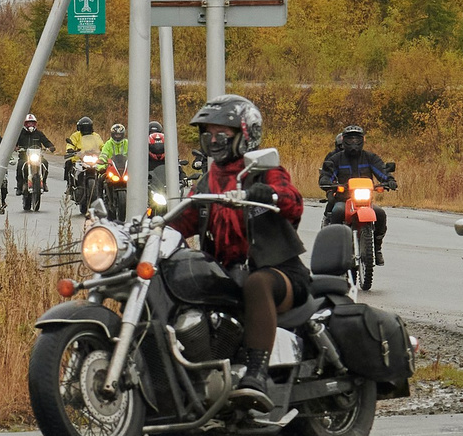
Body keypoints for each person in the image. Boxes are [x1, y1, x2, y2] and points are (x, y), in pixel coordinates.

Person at [168, 94, 306, 406]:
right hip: (227, 275)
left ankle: (255, 374)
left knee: (257, 283)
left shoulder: (263, 170)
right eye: (209, 134)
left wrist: (269, 194)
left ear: (245, 136)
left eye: (222, 134)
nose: (213, 140)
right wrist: (148, 227)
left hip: (278, 272)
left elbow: (293, 202)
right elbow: (181, 220)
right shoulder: (206, 182)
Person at [317, 123, 397, 264]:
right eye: (350, 139)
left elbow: (381, 171)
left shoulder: (370, 158)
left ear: (363, 140)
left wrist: (389, 180)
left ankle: (377, 248)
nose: (353, 143)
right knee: (337, 211)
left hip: (365, 202)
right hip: (343, 199)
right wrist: (327, 182)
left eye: (357, 139)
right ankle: (336, 248)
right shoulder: (336, 159)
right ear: (343, 140)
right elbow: (327, 174)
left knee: (380, 214)